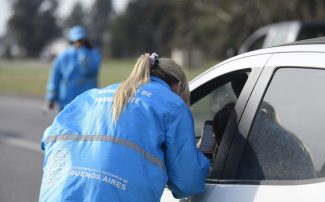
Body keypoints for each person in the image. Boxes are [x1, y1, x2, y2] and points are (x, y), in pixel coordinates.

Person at [39, 53, 210, 202]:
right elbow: (187, 183)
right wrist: (201, 157)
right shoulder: (173, 105)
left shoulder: (89, 96)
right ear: (178, 86)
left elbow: (48, 140)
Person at [45, 25, 101, 111]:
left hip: (89, 100)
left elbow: (93, 70)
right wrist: (51, 96)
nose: (79, 43)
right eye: (76, 40)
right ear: (71, 40)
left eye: (81, 40)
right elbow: (55, 77)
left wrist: (84, 59)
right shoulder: (63, 56)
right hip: (67, 99)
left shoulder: (93, 54)